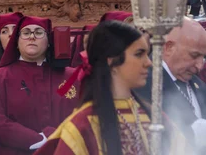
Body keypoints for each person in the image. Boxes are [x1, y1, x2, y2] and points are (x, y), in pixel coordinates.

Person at [38, 20, 185, 155]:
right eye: (139, 54)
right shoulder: (83, 126)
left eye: (148, 54)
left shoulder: (155, 116)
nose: (148, 62)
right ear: (112, 61)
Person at [0, 15, 79, 154]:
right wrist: (37, 139)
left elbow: (85, 116)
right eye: (26, 33)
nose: (32, 37)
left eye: (39, 33)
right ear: (16, 42)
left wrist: (57, 137)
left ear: (49, 41)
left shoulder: (72, 77)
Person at [136, 17, 206, 153]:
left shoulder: (197, 82)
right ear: (168, 48)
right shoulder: (144, 83)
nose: (200, 66)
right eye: (194, 55)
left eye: (203, 57)